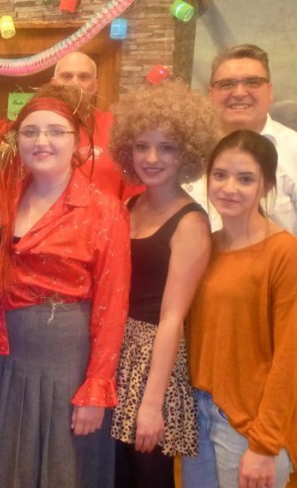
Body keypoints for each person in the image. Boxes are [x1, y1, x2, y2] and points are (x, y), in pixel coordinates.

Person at [0, 84, 130, 488]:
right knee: (8, 462)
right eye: (30, 131)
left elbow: (113, 306)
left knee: (62, 467)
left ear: (77, 141)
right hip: (8, 359)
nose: (42, 141)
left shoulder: (104, 209)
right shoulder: (8, 196)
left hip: (67, 365)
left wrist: (96, 388)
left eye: (56, 131)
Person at [108, 81, 216, 487]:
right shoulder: (130, 205)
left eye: (166, 147)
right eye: (142, 146)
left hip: (154, 364)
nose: (151, 158)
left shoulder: (191, 222)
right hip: (116, 353)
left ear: (186, 152)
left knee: (149, 476)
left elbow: (173, 317)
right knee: (117, 476)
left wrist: (152, 404)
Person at [185, 130, 297, 488]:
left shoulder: (283, 253)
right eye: (220, 175)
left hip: (249, 425)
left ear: (266, 186)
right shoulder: (207, 246)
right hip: (200, 411)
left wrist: (265, 444)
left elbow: (290, 357)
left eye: (245, 179)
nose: (229, 188)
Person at [197, 44, 297, 234]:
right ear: (211, 94)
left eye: (252, 82)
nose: (239, 93)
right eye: (227, 84)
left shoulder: (294, 150)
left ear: (270, 91)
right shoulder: (188, 149)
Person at [51, 51, 139, 200]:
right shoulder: (33, 129)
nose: (75, 83)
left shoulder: (118, 127)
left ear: (95, 85)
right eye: (66, 76)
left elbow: (135, 193)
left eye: (84, 77)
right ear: (54, 84)